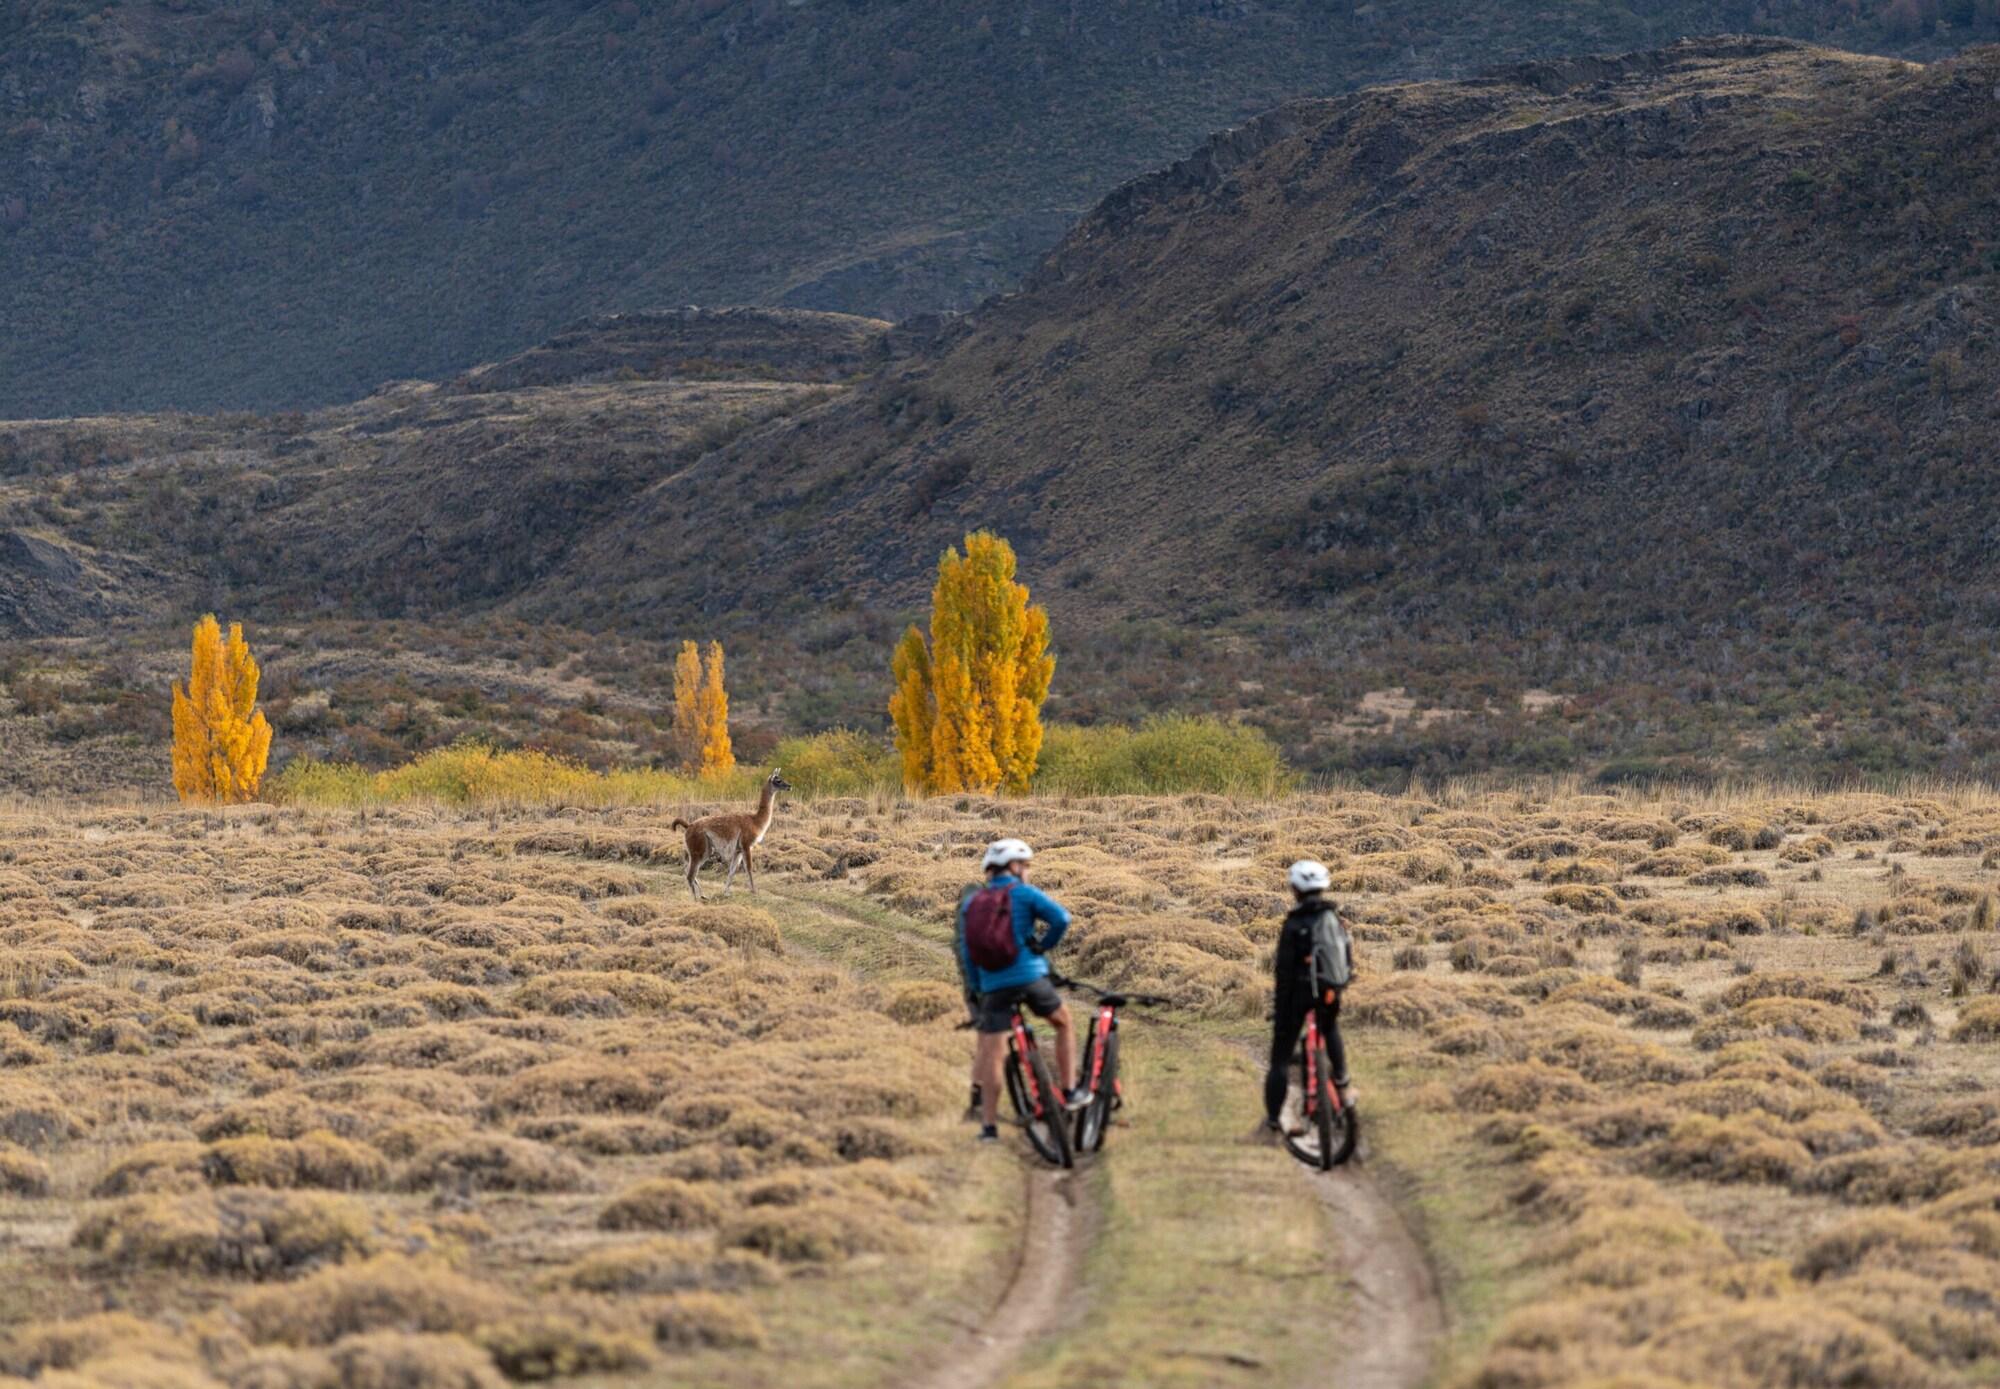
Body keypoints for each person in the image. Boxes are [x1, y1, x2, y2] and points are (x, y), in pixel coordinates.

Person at [957, 837, 1086, 1144]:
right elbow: (1061, 919)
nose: (1027, 871)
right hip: (1030, 977)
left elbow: (966, 952)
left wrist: (979, 987)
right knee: (1063, 1022)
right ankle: (1069, 1090)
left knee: (993, 1054)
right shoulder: (1024, 894)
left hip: (993, 986)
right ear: (1013, 867)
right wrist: (1042, 947)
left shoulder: (971, 904)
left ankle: (989, 1127)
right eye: (1025, 865)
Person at [1262, 859, 1354, 1139]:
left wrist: (1279, 1009)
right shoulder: (1333, 919)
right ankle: (1342, 1082)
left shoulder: (1294, 924)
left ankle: (1273, 1124)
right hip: (1329, 992)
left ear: (1296, 889)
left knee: (1279, 1060)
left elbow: (1284, 973)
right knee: (1330, 1028)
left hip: (1297, 997)